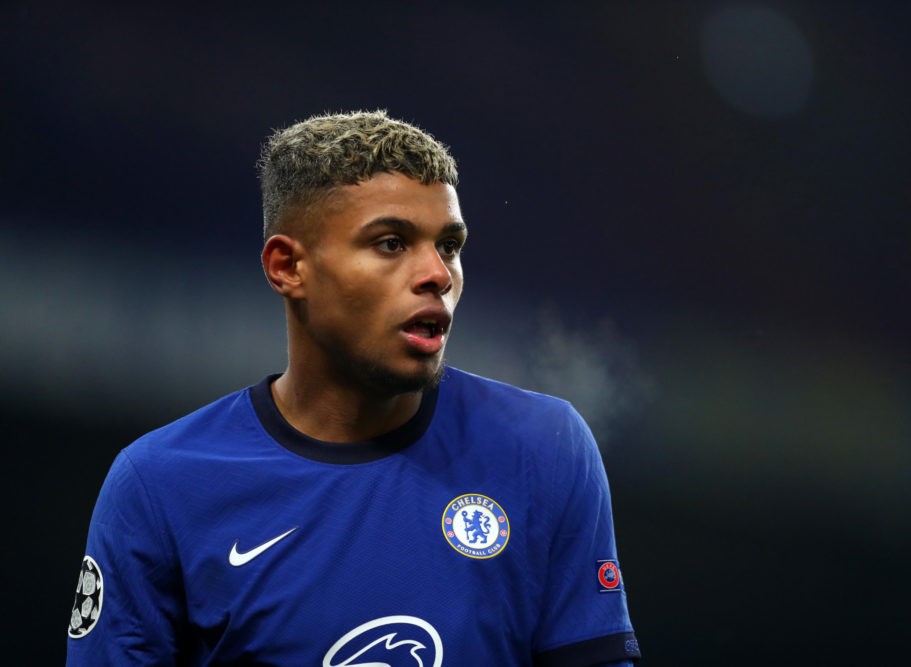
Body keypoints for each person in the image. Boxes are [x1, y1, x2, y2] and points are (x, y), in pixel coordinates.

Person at [66, 110, 641, 666]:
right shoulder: (160, 485)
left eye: (449, 245)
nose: (437, 274)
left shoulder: (542, 446)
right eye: (391, 243)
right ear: (288, 267)